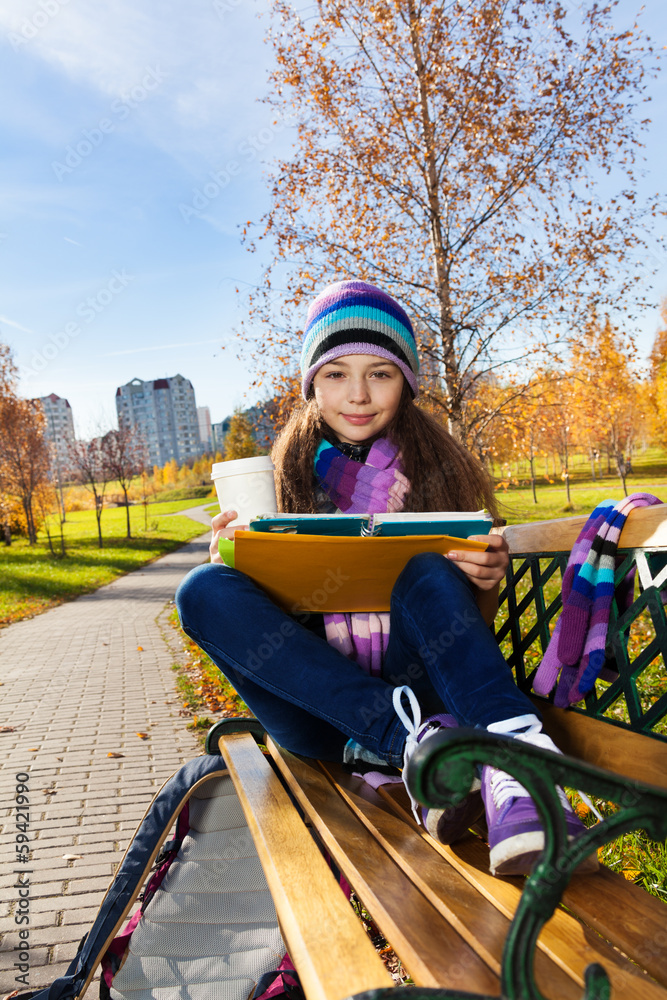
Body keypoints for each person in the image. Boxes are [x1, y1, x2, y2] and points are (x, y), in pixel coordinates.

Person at [176, 279, 593, 877]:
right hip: (324, 719)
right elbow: (273, 641)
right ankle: (415, 749)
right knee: (202, 590)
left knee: (425, 570)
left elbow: (462, 636)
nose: (358, 395)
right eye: (336, 374)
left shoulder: (442, 472)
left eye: (380, 373)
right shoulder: (280, 478)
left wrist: (487, 581)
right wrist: (238, 560)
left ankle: (517, 762)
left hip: (422, 684)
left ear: (407, 382)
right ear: (312, 385)